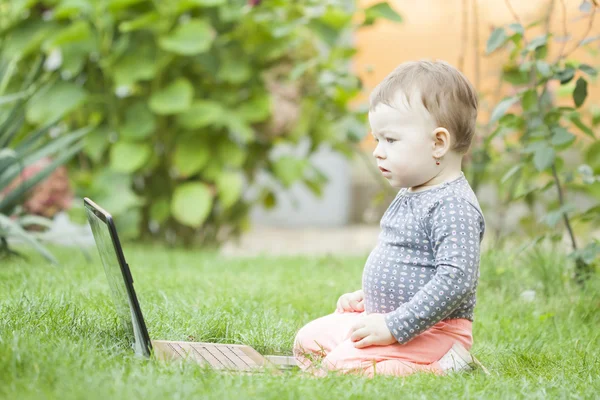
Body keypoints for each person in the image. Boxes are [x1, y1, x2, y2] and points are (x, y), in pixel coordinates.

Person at [293, 60, 486, 377]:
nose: (377, 151)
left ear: (438, 143)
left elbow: (456, 282)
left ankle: (445, 367)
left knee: (339, 368)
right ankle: (369, 356)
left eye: (390, 140)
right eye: (377, 139)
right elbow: (405, 262)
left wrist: (396, 325)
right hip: (386, 317)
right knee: (308, 342)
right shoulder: (415, 191)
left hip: (432, 331)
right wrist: (369, 298)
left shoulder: (453, 205)